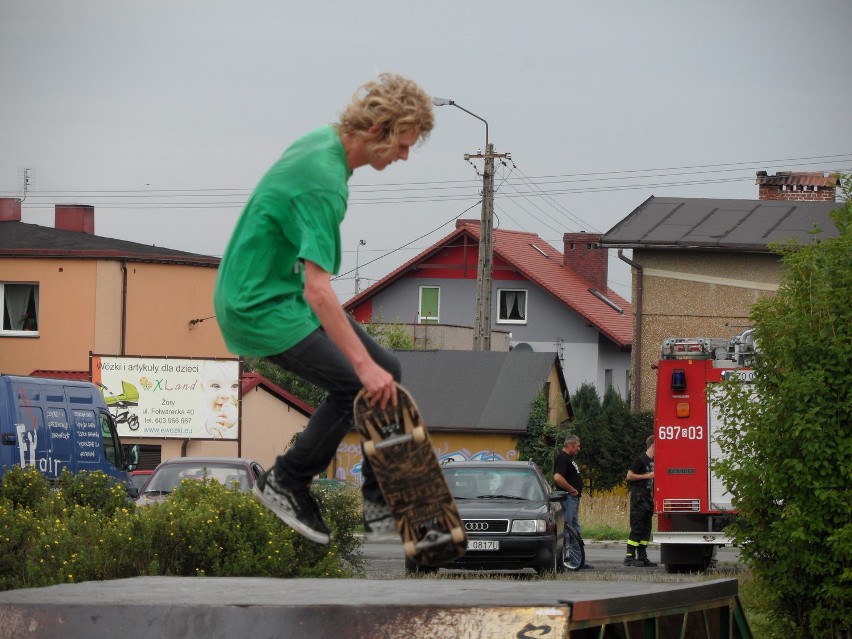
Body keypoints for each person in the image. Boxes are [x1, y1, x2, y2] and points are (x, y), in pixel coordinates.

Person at [213, 73, 434, 545]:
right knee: (359, 382)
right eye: (402, 144)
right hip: (258, 305)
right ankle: (287, 481)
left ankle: (378, 500)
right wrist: (361, 367)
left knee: (386, 368)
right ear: (378, 131)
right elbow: (319, 290)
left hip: (276, 291)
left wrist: (373, 369)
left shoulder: (324, 143)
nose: (404, 156)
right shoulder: (325, 184)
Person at [553, 434, 593, 569]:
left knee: (575, 529)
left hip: (574, 499)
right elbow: (558, 478)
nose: (579, 449)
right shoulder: (562, 458)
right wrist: (571, 489)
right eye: (577, 446)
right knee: (567, 529)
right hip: (568, 498)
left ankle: (577, 561)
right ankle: (563, 561)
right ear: (569, 445)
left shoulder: (569, 459)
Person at [625, 436, 657, 567]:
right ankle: (629, 557)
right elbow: (629, 476)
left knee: (646, 528)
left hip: (648, 497)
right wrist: (647, 476)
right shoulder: (641, 460)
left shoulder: (654, 461)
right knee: (637, 527)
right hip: (639, 497)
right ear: (652, 445)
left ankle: (642, 556)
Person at [198, 360, 240, 439]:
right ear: (203, 389)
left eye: (235, 386)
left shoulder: (246, 413)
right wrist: (207, 428)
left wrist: (233, 423)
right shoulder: (199, 415)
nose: (226, 395)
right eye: (216, 385)